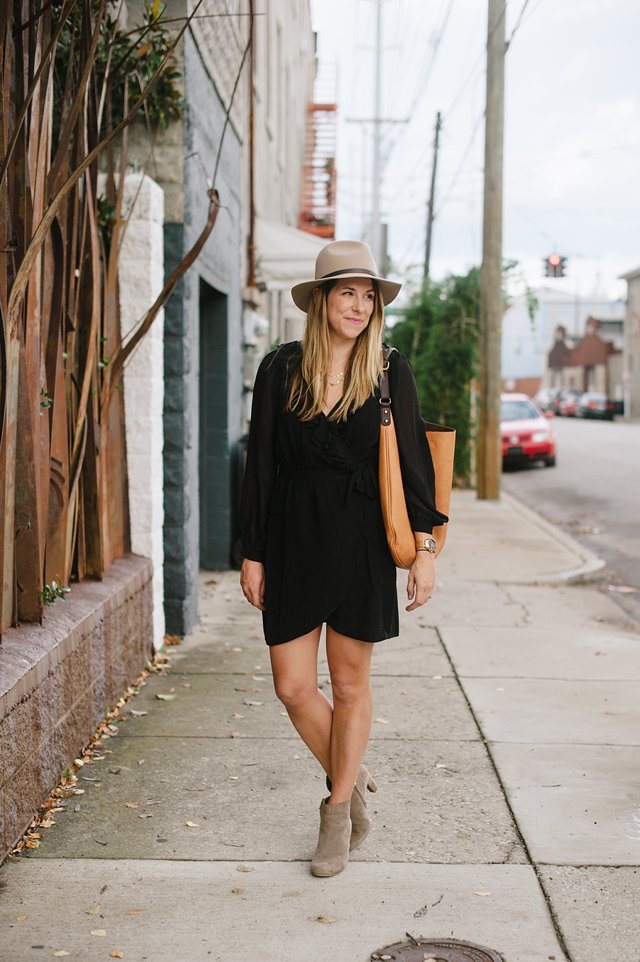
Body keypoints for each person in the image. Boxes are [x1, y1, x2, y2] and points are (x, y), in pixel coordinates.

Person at [239, 240, 447, 877]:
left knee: (352, 685)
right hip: (294, 536)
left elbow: (413, 466)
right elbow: (261, 466)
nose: (358, 306)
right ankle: (351, 779)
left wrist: (426, 549)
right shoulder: (279, 369)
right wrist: (253, 553)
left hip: (360, 538)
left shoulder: (389, 369)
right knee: (293, 686)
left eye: (368, 296)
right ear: (322, 299)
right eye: (347, 292)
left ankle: (335, 812)